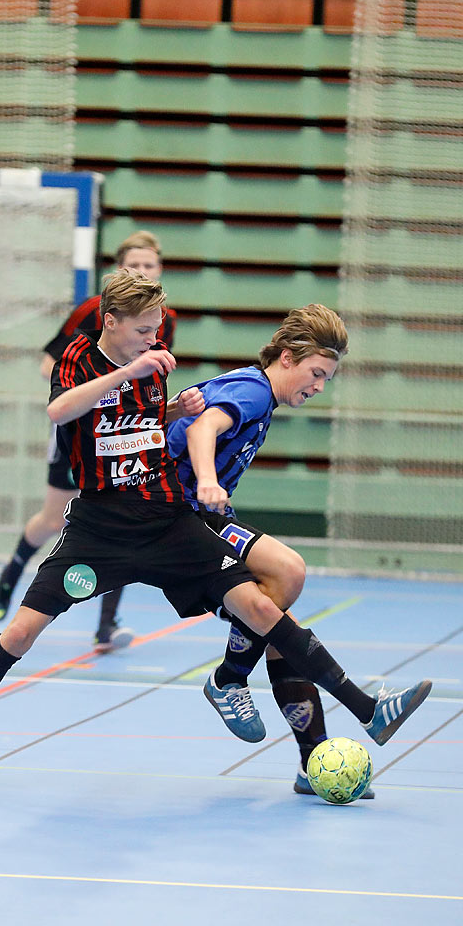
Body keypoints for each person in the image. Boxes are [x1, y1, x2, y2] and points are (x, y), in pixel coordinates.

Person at [0, 270, 431, 781]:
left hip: (164, 520)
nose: (153, 340)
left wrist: (173, 413)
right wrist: (136, 376)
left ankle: (365, 708)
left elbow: (134, 427)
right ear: (111, 322)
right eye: (142, 330)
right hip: (97, 529)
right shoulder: (81, 357)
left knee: (263, 605)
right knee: (19, 633)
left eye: (156, 330)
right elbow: (62, 411)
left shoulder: (157, 364)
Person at [166, 303, 372, 798]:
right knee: (287, 573)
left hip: (201, 515)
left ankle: (311, 760)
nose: (320, 386)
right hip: (177, 518)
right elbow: (200, 428)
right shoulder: (254, 391)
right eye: (316, 373)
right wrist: (211, 482)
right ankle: (229, 679)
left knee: (279, 622)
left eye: (327, 377)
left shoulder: (256, 392)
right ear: (286, 357)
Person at [0, 230, 175, 653]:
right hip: (80, 427)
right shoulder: (91, 313)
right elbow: (51, 367)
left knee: (127, 514)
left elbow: (150, 379)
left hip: (126, 434)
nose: (142, 272)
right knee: (52, 520)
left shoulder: (163, 319)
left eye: (149, 266)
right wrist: (93, 390)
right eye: (134, 266)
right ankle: (12, 575)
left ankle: (105, 626)